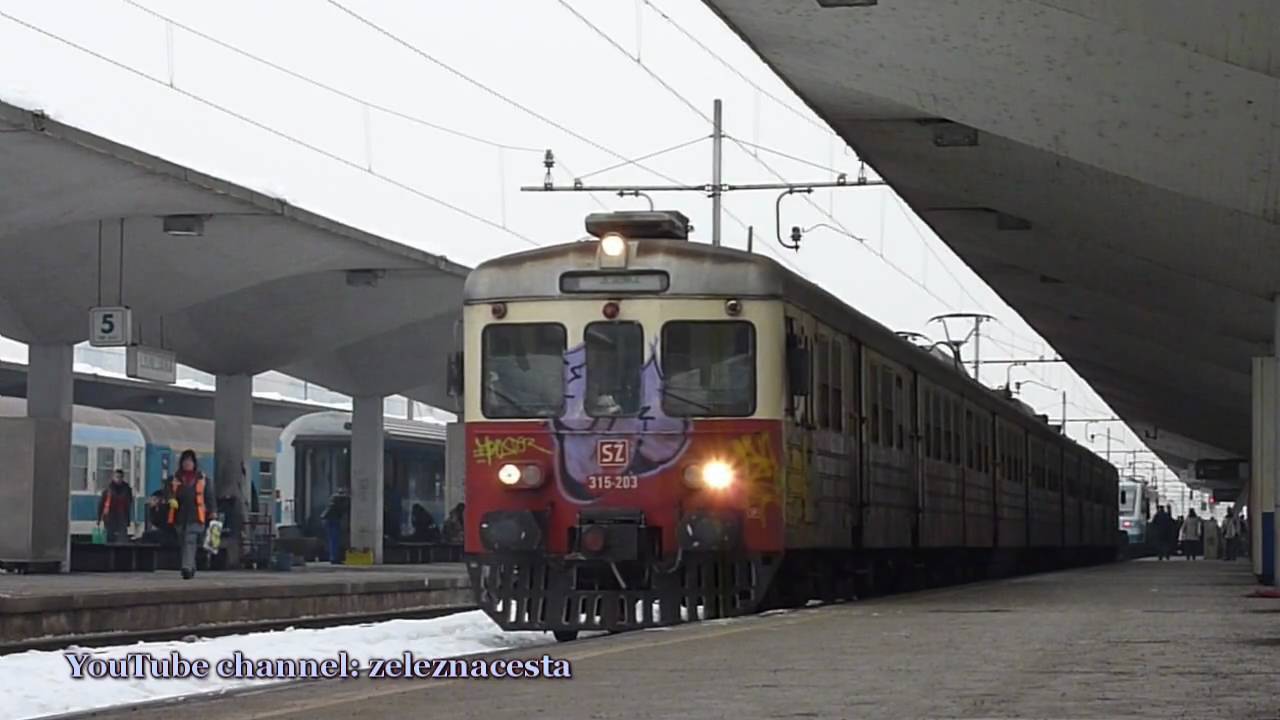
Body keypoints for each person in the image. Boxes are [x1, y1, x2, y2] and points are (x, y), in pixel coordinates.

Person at [166, 449, 217, 579]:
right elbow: (168, 492)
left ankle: (186, 568)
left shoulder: (202, 479)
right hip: (179, 516)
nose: (187, 464)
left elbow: (209, 496)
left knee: (190, 540)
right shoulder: (174, 479)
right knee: (183, 542)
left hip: (196, 515)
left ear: (194, 463)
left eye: (189, 461)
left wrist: (213, 511)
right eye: (185, 461)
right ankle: (191, 565)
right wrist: (170, 499)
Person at [97, 469, 133, 543]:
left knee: (122, 538)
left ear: (122, 478)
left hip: (122, 516)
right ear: (113, 477)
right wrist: (99, 518)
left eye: (120, 477)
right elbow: (101, 504)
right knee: (109, 537)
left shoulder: (127, 489)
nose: (118, 479)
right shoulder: (108, 489)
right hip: (110, 517)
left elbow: (129, 503)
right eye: (117, 477)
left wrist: (128, 519)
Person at [321, 487, 350, 564]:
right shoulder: (338, 498)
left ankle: (333, 557)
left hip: (329, 519)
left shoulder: (334, 498)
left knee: (333, 540)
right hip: (332, 520)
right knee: (334, 539)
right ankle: (334, 558)